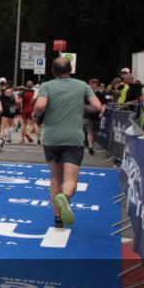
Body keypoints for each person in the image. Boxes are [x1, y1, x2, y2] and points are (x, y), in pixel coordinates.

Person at [32, 57, 103, 228]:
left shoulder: (47, 86)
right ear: (70, 69)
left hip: (52, 138)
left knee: (55, 177)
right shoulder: (82, 85)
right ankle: (65, 197)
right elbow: (97, 106)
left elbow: (40, 105)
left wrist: (36, 115)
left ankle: (57, 218)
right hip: (73, 138)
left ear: (53, 71)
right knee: (70, 179)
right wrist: (80, 107)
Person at [85, 78, 108, 155]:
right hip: (87, 116)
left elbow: (104, 104)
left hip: (97, 115)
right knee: (90, 131)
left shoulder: (100, 94)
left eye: (93, 84)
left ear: (96, 85)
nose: (92, 85)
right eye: (91, 84)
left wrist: (102, 112)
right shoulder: (86, 94)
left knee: (95, 132)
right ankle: (90, 146)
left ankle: (92, 144)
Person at [0, 79, 16, 151]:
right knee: (11, 125)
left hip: (3, 109)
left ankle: (0, 141)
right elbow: (17, 101)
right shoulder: (11, 92)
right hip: (12, 109)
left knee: (2, 127)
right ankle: (8, 139)